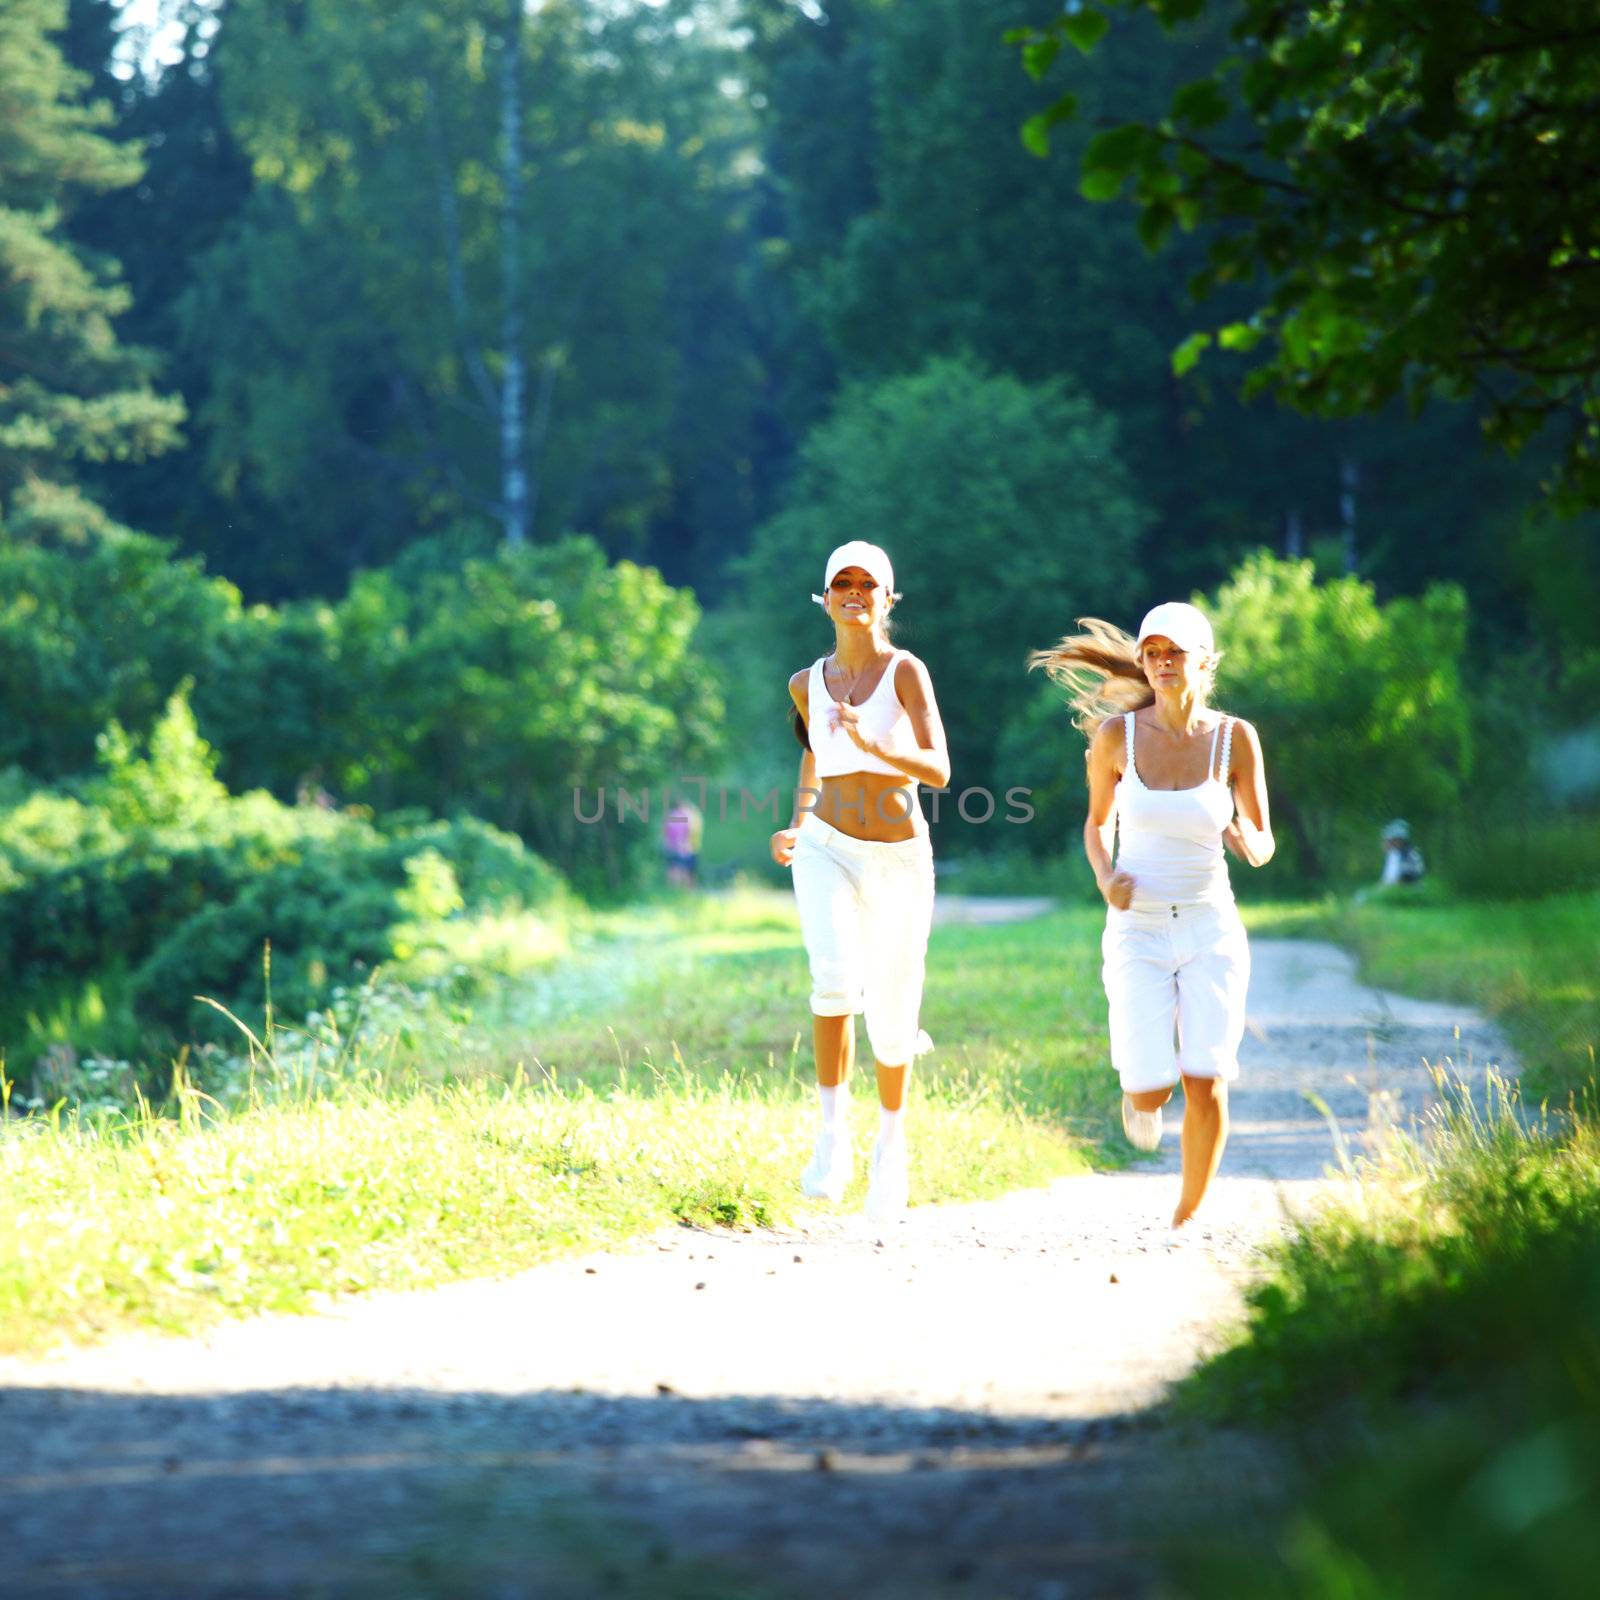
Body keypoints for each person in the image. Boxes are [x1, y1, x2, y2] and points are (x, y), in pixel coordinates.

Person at [1030, 602, 1275, 1246]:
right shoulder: (1117, 737)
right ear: (1143, 661)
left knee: (1207, 1074)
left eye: (1177, 652)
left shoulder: (1234, 738)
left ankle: (1187, 1219)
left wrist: (1244, 837)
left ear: (1205, 661)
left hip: (1210, 927)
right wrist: (1107, 878)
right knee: (1150, 1090)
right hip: (1137, 928)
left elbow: (1263, 838)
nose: (1164, 662)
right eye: (1154, 652)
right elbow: (1093, 824)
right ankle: (1138, 1094)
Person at [770, 540, 951, 1223]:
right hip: (826, 849)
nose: (854, 591)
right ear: (825, 597)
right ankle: (830, 1140)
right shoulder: (804, 682)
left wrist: (877, 744)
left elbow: (937, 768)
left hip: (900, 859)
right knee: (835, 980)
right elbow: (816, 761)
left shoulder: (906, 672)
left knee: (895, 1017)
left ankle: (892, 1144)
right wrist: (798, 825)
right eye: (841, 582)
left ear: (887, 598)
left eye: (866, 583)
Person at [662, 797, 703, 889]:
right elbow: (690, 831)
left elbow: (665, 831)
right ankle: (687, 890)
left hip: (671, 847)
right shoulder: (689, 816)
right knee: (687, 870)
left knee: (672, 868)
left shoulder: (670, 816)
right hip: (687, 848)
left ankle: (672, 890)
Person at [1379, 818, 1425, 886]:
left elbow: (1408, 877)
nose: (1393, 843)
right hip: (1392, 889)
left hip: (1408, 890)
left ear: (1401, 840)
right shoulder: (1393, 855)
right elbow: (1388, 878)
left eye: (1394, 840)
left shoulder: (1410, 854)